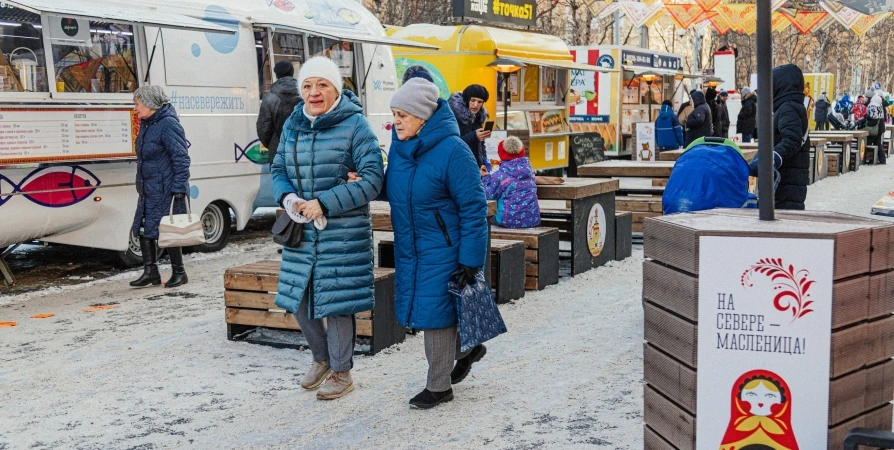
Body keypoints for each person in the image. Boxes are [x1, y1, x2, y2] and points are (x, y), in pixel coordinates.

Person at [270, 57, 385, 400]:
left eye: (322, 85)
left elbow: (372, 180)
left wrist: (324, 202)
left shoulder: (356, 126)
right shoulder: (293, 124)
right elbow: (278, 169)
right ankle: (321, 358)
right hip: (301, 229)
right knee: (299, 299)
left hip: (342, 232)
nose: (314, 92)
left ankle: (341, 371)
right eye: (307, 85)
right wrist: (289, 198)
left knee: (336, 303)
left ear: (336, 88)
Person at [385, 77, 489, 409]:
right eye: (394, 114)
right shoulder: (400, 148)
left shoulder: (454, 150)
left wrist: (471, 259)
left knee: (437, 317)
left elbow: (474, 208)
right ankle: (468, 348)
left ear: (423, 117)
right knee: (429, 312)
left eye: (402, 114)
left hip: (446, 248)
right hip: (412, 246)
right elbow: (395, 189)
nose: (396, 121)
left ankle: (439, 386)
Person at [129, 86, 191, 288]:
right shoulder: (148, 124)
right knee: (145, 229)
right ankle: (151, 272)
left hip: (166, 188)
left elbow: (181, 158)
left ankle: (179, 273)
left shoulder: (168, 124)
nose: (135, 108)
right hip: (149, 188)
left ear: (150, 103)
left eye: (137, 104)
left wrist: (179, 188)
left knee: (169, 231)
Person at [766, 64, 810, 210]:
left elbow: (792, 139)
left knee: (783, 224)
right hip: (789, 181)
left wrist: (772, 157)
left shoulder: (788, 107)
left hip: (786, 182)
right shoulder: (791, 106)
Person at [482, 136, 540, 228]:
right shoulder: (529, 171)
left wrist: (485, 177)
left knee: (486, 221)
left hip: (508, 221)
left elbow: (487, 194)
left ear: (501, 154)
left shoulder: (500, 175)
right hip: (532, 220)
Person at [257, 61, 300, 166]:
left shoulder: (269, 98)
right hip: (303, 149)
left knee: (280, 180)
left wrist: (273, 143)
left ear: (276, 74)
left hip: (278, 150)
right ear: (292, 72)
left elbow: (263, 129)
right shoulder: (305, 95)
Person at [448, 84, 491, 173]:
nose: (475, 105)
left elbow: (481, 145)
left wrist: (484, 161)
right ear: (467, 100)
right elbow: (452, 144)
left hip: (475, 167)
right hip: (458, 167)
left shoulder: (478, 118)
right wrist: (474, 136)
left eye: (480, 102)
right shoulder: (453, 117)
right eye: (473, 100)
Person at [866, 93, 886, 164]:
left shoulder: (872, 106)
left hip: (874, 128)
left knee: (868, 142)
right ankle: (882, 159)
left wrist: (867, 118)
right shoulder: (880, 106)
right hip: (880, 127)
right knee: (878, 143)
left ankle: (869, 158)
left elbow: (871, 117)